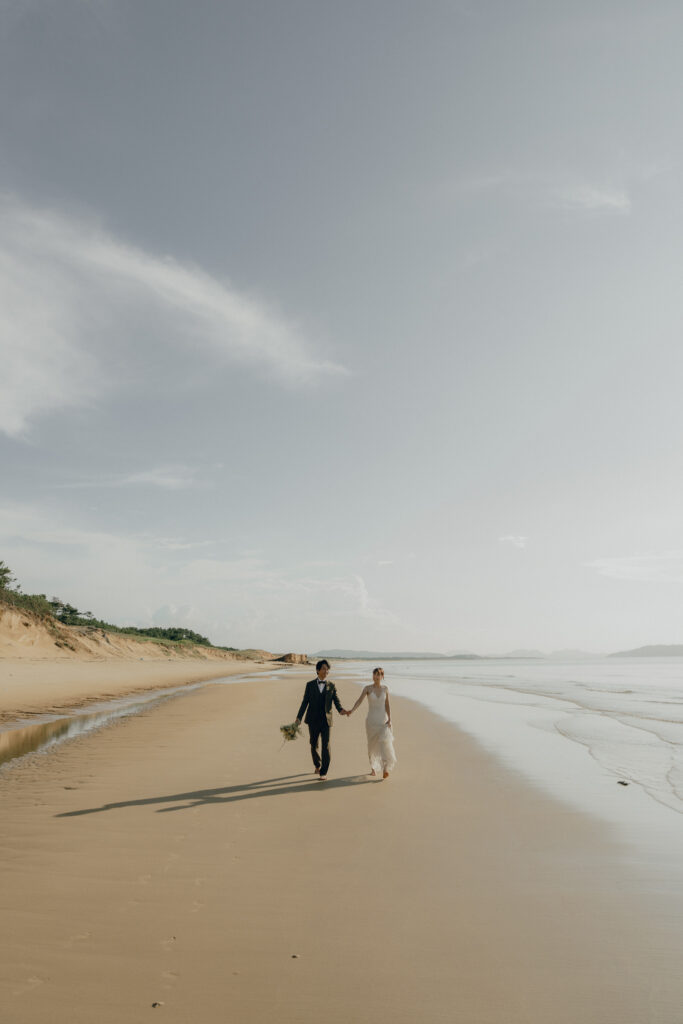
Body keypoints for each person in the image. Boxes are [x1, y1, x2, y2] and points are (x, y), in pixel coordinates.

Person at [295, 659, 348, 781]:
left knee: (326, 746)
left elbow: (336, 701)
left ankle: (323, 771)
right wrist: (299, 718)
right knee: (313, 745)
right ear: (318, 670)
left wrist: (341, 711)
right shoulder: (310, 685)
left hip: (326, 721)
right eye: (324, 668)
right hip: (313, 720)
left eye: (327, 669)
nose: (326, 671)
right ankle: (317, 765)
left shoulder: (332, 686)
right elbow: (305, 703)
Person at [347, 666, 397, 779]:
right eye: (375, 674)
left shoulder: (385, 689)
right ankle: (373, 768)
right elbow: (359, 701)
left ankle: (385, 768)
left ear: (382, 676)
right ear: (372, 676)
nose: (376, 676)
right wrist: (352, 710)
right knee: (372, 745)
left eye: (379, 674)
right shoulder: (367, 689)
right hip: (371, 721)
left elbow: (387, 705)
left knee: (385, 743)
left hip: (383, 720)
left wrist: (390, 718)